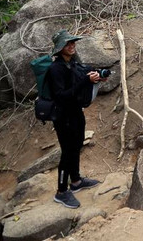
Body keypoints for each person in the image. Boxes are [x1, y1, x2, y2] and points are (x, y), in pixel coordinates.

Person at [46, 30, 103, 209]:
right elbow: (62, 96)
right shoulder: (56, 69)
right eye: (67, 43)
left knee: (77, 144)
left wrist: (93, 78)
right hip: (63, 116)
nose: (72, 46)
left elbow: (77, 87)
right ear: (59, 48)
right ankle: (61, 192)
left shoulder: (72, 63)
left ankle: (76, 181)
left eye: (73, 43)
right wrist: (85, 82)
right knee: (67, 151)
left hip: (75, 112)